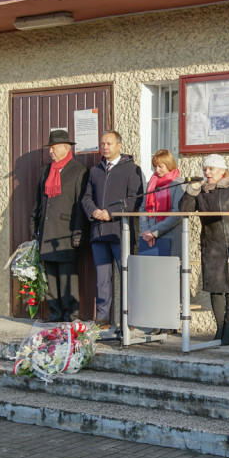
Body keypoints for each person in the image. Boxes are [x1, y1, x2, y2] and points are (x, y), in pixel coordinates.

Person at [179, 153, 229, 346]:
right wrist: (191, 191)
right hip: (211, 246)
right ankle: (219, 328)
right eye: (205, 169)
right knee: (215, 289)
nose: (207, 172)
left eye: (211, 169)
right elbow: (184, 210)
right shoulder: (203, 191)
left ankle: (228, 329)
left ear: (222, 171)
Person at [81, 130, 144, 328]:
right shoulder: (95, 171)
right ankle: (103, 317)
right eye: (102, 144)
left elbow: (135, 199)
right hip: (98, 231)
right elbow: (86, 198)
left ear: (119, 146)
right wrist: (94, 212)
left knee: (126, 274)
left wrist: (111, 213)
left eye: (109, 143)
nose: (105, 147)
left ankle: (129, 317)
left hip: (120, 232)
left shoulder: (131, 169)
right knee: (102, 278)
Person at [32, 129, 88, 321]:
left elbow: (81, 204)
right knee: (51, 276)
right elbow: (38, 201)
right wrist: (35, 227)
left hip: (66, 231)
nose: (51, 151)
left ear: (66, 148)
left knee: (67, 276)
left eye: (54, 148)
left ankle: (71, 313)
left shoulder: (78, 170)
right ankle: (54, 312)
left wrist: (78, 233)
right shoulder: (46, 170)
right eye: (50, 148)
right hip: (47, 230)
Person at [139, 150, 185, 256]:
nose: (157, 170)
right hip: (149, 237)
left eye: (160, 166)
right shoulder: (151, 183)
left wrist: (154, 232)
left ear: (169, 165)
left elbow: (177, 214)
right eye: (155, 166)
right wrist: (146, 231)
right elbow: (143, 209)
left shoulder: (179, 183)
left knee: (170, 271)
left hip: (170, 236)